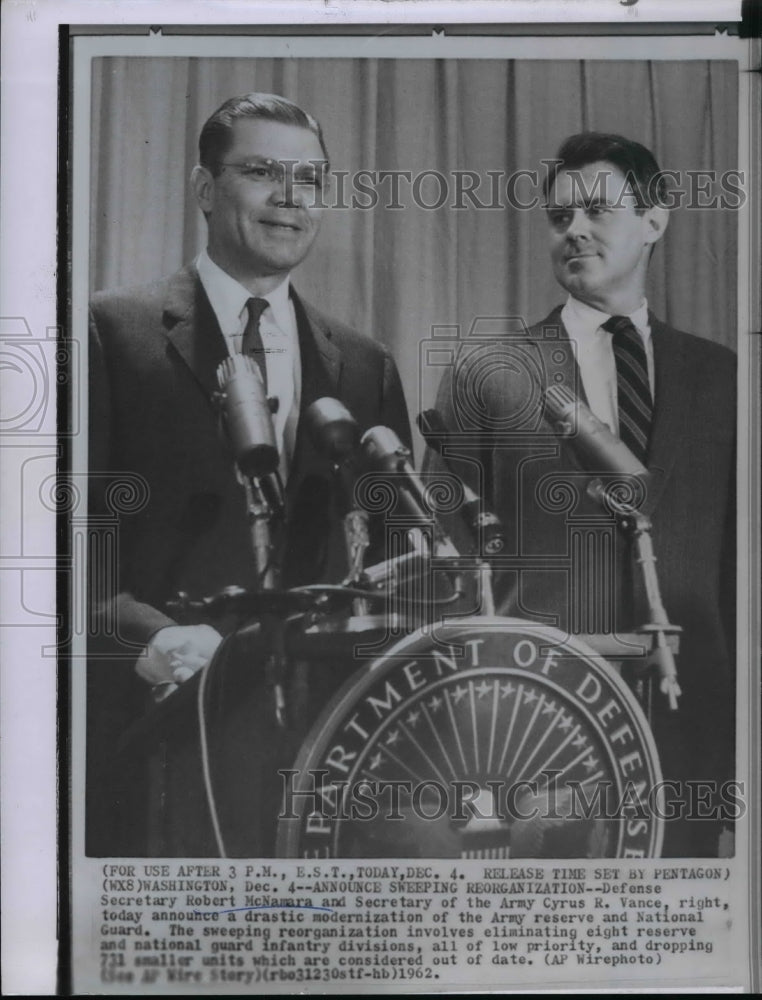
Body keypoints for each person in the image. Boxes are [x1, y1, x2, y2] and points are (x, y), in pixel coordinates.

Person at [87, 93, 411, 855]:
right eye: (262, 171)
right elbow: (62, 547)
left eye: (309, 179)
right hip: (157, 734)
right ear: (205, 190)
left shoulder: (363, 365)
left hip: (321, 746)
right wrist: (146, 639)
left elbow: (395, 562)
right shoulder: (110, 333)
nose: (290, 198)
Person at [426, 133, 736, 857]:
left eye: (597, 210)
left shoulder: (724, 377)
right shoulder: (491, 372)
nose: (575, 231)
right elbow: (442, 562)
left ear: (656, 219)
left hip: (691, 734)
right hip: (541, 734)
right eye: (559, 218)